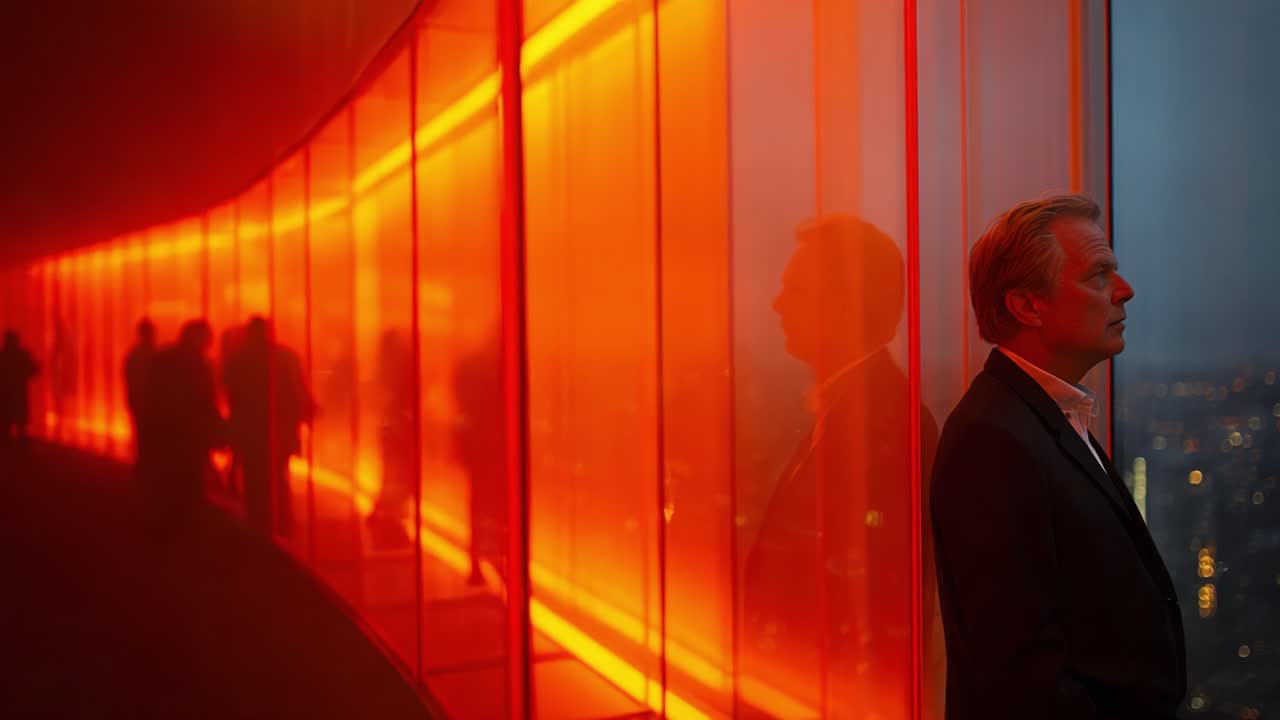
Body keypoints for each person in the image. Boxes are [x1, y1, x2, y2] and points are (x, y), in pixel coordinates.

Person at [930, 195, 1184, 718]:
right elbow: (1022, 674)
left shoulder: (1041, 417)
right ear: (1026, 306)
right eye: (1098, 275)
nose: (1124, 290)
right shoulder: (992, 438)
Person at [742, 215, 938, 717]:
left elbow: (877, 605)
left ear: (844, 305)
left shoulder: (886, 423)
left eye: (795, 290)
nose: (777, 304)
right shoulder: (852, 410)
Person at [222, 316, 312, 539]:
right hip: (280, 429)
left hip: (251, 430)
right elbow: (297, 391)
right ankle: (280, 523)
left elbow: (230, 392)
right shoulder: (285, 357)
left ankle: (257, 524)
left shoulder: (238, 359)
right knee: (279, 476)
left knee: (254, 478)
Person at [143, 319, 224, 538]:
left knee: (168, 479)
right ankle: (188, 528)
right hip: (189, 433)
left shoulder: (161, 358)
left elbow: (150, 394)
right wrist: (218, 430)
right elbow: (205, 400)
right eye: (207, 339)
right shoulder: (199, 364)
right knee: (190, 481)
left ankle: (167, 525)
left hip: (165, 431)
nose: (209, 344)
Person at [124, 318, 158, 468]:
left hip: (139, 402)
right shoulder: (153, 354)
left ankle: (143, 465)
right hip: (148, 403)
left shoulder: (133, 355)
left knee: (142, 436)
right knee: (148, 436)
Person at [0, 330, 40, 448]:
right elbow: (35, 369)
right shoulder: (21, 355)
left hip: (5, 395)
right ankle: (21, 452)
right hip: (18, 393)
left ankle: (10, 453)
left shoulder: (3, 355)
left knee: (6, 426)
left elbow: (35, 369)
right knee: (19, 424)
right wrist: (24, 376)